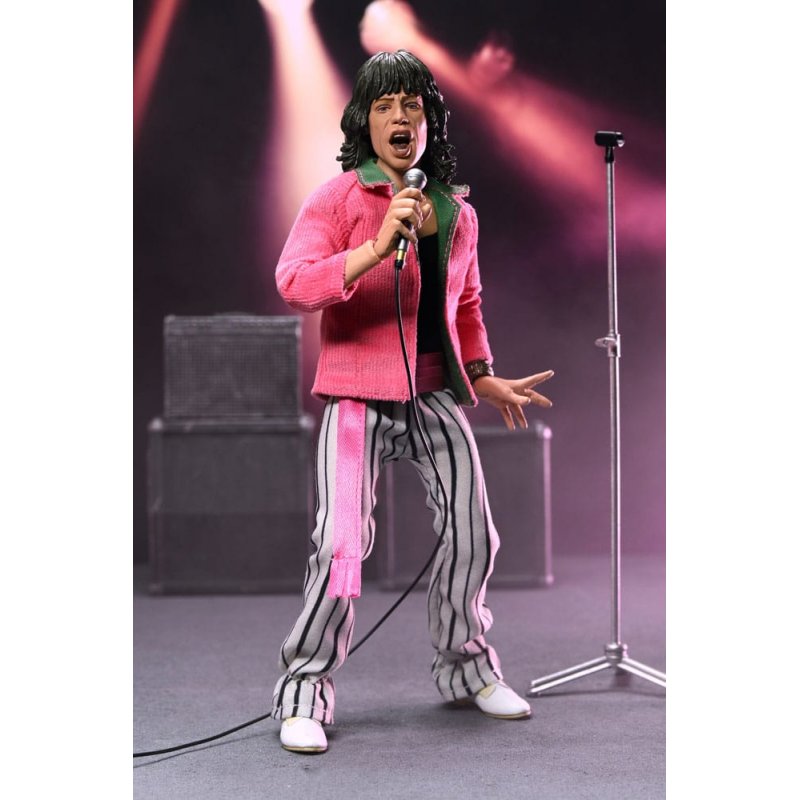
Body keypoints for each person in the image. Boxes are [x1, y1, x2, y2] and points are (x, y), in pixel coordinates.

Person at [272, 49, 553, 754]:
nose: (401, 118)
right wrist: (373, 248)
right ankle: (304, 692)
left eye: (413, 105)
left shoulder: (457, 212)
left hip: (431, 393)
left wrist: (482, 375)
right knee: (341, 546)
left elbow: (467, 304)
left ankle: (467, 670)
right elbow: (294, 283)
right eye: (385, 106)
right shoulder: (337, 200)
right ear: (364, 122)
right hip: (356, 398)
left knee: (473, 533)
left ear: (430, 121)